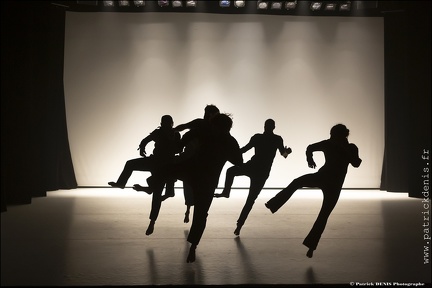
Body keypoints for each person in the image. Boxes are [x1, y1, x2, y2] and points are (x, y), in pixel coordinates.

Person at [140, 113, 243, 263]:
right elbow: (238, 161)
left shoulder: (224, 140)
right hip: (196, 174)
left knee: (201, 215)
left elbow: (238, 161)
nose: (213, 129)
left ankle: (193, 247)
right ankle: (152, 185)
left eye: (215, 127)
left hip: (203, 179)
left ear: (220, 127)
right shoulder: (222, 138)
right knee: (168, 169)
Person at [264, 123, 362, 258]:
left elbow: (356, 164)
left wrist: (346, 152)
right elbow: (310, 148)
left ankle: (311, 247)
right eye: (331, 135)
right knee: (297, 182)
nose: (331, 137)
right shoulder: (328, 144)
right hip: (322, 177)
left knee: (323, 215)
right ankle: (274, 204)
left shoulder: (351, 147)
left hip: (335, 185)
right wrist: (309, 158)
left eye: (333, 135)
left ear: (341, 136)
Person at [214, 119, 292, 236]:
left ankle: (228, 196)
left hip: (254, 168)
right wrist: (288, 152)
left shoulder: (259, 137)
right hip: (260, 171)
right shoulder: (276, 139)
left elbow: (244, 149)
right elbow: (284, 155)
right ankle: (238, 224)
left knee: (232, 173)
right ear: (273, 127)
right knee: (250, 200)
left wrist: (230, 153)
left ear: (265, 126)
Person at [108, 115, 181, 235]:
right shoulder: (160, 132)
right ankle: (122, 183)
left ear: (171, 124)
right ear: (163, 124)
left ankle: (152, 222)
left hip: (164, 167)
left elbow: (178, 149)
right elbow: (145, 140)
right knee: (130, 164)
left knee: (157, 195)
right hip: (155, 162)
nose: (167, 125)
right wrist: (142, 148)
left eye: (168, 124)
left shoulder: (175, 134)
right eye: (165, 124)